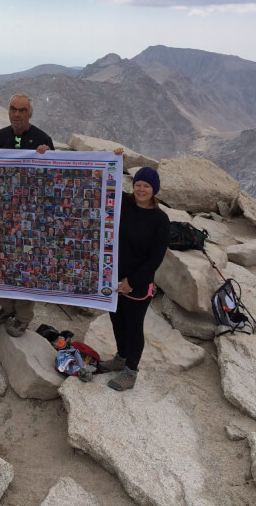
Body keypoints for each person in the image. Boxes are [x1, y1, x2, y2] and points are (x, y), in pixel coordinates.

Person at [0, 93, 54, 337]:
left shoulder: (42, 138)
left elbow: (53, 176)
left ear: (30, 113)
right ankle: (6, 308)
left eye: (22, 110)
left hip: (30, 215)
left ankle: (24, 317)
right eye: (13, 109)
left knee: (26, 266)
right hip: (4, 213)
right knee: (1, 263)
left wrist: (47, 155)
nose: (17, 114)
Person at [101, 166, 170, 391]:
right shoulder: (123, 203)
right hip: (113, 276)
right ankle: (121, 357)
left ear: (154, 190)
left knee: (133, 325)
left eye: (146, 186)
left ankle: (131, 371)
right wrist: (111, 159)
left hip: (137, 283)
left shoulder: (160, 220)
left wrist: (132, 282)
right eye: (138, 184)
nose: (141, 189)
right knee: (116, 318)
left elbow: (155, 259)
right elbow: (103, 183)